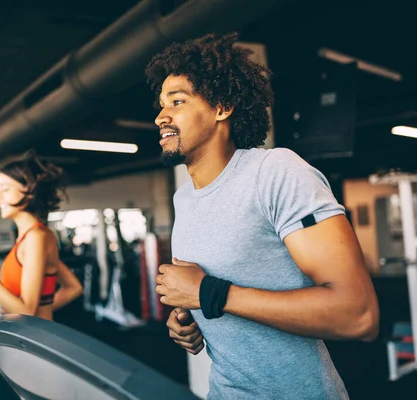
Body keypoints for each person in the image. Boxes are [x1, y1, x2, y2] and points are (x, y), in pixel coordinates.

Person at [147, 31, 379, 399]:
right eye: (161, 103)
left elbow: (358, 314)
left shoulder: (275, 172)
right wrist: (189, 320)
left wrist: (208, 294)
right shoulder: (184, 198)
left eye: (177, 101)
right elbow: (206, 294)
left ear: (221, 107)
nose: (161, 116)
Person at [0, 150, 83, 321]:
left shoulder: (36, 237)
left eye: (5, 189)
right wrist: (38, 309)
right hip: (29, 333)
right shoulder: (32, 237)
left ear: (29, 191)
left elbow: (27, 312)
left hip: (35, 339)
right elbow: (73, 287)